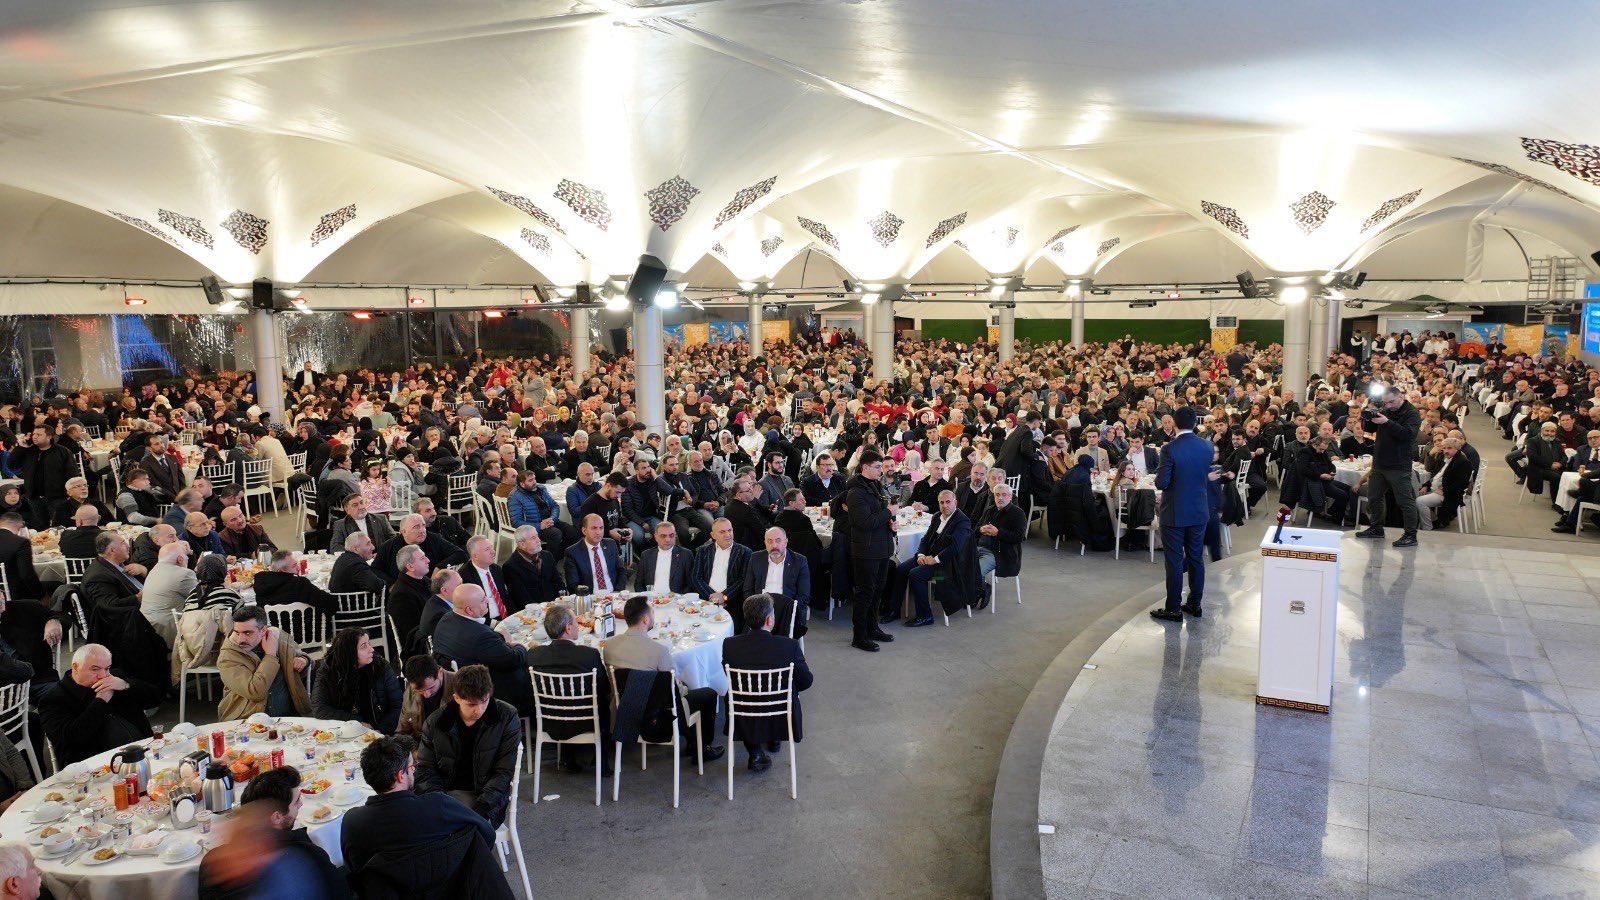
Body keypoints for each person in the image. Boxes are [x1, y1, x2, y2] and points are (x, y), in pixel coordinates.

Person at [340, 736, 500, 890]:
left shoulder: (352, 823)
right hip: (451, 890)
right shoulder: (439, 805)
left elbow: (356, 872)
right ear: (400, 775)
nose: (415, 769)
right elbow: (487, 833)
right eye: (412, 766)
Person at [601, 595, 723, 761]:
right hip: (655, 718)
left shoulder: (608, 646)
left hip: (623, 710)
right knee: (708, 693)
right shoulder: (659, 650)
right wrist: (685, 688)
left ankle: (694, 744)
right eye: (652, 613)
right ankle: (700, 749)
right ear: (645, 620)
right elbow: (674, 689)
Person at [414, 664, 521, 826]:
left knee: (445, 830)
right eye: (471, 704)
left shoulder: (506, 716)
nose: (479, 710)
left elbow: (504, 772)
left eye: (484, 701)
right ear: (457, 698)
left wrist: (482, 807)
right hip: (445, 793)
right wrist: (438, 801)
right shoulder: (435, 722)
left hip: (486, 797)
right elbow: (426, 769)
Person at [720, 594, 812, 773]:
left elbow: (728, 676)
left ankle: (755, 752)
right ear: (770, 620)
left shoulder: (730, 645)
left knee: (737, 694)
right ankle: (774, 738)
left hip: (744, 712)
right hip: (780, 712)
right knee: (784, 694)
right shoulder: (789, 646)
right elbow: (807, 680)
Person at [230, 767, 350, 898]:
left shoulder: (211, 862)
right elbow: (341, 893)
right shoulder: (305, 855)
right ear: (277, 817)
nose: (301, 804)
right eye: (297, 800)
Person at [38, 643, 162, 765]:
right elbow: (73, 737)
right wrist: (101, 701)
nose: (103, 675)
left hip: (144, 752)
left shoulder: (115, 678)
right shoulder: (53, 700)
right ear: (75, 667)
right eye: (95, 669)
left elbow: (156, 698)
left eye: (107, 668)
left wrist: (127, 685)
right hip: (97, 766)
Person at [524, 603, 610, 770]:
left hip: (549, 721)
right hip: (587, 722)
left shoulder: (534, 655)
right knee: (604, 702)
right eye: (576, 623)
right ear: (568, 629)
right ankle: (603, 760)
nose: (579, 626)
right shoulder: (589, 655)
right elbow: (604, 689)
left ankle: (567, 757)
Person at [431, 584, 534, 714]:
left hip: (459, 682)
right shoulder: (481, 637)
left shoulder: (446, 618)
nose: (487, 600)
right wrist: (515, 644)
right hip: (490, 691)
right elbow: (514, 660)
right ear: (469, 610)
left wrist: (498, 635)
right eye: (482, 599)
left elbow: (478, 634)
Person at [1151, 407, 1212, 623]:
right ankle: (1195, 604)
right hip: (1199, 510)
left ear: (1174, 424)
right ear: (1195, 423)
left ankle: (1173, 608)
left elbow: (1162, 482)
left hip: (1175, 512)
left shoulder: (1170, 449)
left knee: (1175, 561)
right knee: (1196, 558)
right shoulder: (1207, 446)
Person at [888, 490, 973, 626]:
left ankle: (925, 616)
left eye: (948, 502)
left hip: (947, 568)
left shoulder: (962, 521)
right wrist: (921, 555)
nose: (945, 505)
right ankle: (894, 610)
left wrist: (934, 560)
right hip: (929, 558)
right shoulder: (937, 516)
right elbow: (925, 539)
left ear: (955, 502)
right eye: (941, 502)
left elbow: (955, 548)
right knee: (902, 568)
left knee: (916, 575)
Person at [216, 604, 313, 721]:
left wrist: (304, 660)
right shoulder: (228, 656)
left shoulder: (279, 638)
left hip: (290, 716)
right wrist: (270, 656)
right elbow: (255, 692)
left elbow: (304, 658)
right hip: (247, 720)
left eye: (247, 633)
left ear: (263, 630)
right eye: (237, 632)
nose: (241, 639)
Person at [1354, 385, 1422, 547]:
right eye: (1386, 403)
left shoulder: (1412, 413)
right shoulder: (1385, 409)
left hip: (1398, 464)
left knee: (1405, 501)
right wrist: (1367, 417)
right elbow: (1370, 429)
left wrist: (1387, 422)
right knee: (1374, 497)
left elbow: (1407, 435)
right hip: (1379, 462)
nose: (1389, 406)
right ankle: (1376, 528)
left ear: (1401, 397)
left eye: (1392, 402)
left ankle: (1411, 535)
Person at [846, 450, 897, 652]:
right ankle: (859, 636)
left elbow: (879, 518)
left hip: (882, 547)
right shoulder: (856, 492)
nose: (881, 470)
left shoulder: (875, 486)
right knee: (865, 593)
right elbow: (864, 523)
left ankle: (872, 627)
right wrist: (888, 512)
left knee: (877, 591)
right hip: (866, 551)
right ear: (865, 467)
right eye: (877, 466)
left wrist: (890, 524)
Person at [310, 628, 404, 733]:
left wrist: (381, 731)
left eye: (369, 643)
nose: (371, 649)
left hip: (379, 728)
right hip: (343, 731)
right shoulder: (328, 670)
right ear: (349, 652)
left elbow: (397, 706)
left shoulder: (381, 667)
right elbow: (319, 709)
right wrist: (357, 722)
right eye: (364, 646)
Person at [739, 526, 810, 637]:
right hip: (760, 610)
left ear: (785, 542)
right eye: (770, 541)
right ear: (765, 543)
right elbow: (747, 590)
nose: (774, 546)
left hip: (786, 611)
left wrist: (787, 610)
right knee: (750, 641)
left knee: (779, 643)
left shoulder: (799, 561)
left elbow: (804, 595)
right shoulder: (756, 558)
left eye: (778, 541)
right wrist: (758, 609)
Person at [975, 482, 1025, 606]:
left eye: (1004, 495)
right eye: (997, 495)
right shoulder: (989, 510)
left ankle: (979, 592)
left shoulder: (1018, 513)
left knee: (977, 570)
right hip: (981, 547)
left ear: (1010, 496)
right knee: (959, 562)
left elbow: (1019, 537)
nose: (1000, 498)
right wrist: (981, 529)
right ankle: (978, 589)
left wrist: (998, 533)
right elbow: (975, 529)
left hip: (1000, 553)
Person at [251, 550, 338, 619]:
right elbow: (331, 604)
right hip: (306, 634)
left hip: (274, 635)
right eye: (294, 565)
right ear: (283, 570)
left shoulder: (260, 582)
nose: (298, 567)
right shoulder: (299, 584)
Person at [140, 540, 195, 645]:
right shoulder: (184, 574)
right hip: (171, 628)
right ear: (180, 559)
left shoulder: (155, 569)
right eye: (186, 558)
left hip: (147, 625)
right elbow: (202, 597)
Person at [79, 532, 143, 619]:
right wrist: (138, 598)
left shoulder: (120, 563)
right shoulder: (98, 576)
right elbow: (109, 606)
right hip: (128, 621)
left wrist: (144, 571)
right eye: (123, 543)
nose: (128, 546)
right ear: (112, 550)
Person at [692, 517, 751, 611]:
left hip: (731, 603)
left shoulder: (745, 552)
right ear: (713, 535)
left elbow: (743, 580)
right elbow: (696, 577)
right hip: (705, 601)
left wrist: (723, 596)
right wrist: (713, 598)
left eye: (729, 530)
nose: (728, 534)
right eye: (722, 532)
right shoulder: (703, 551)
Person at [501, 526, 561, 613]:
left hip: (555, 607)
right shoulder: (510, 567)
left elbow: (558, 581)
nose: (538, 540)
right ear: (522, 544)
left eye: (537, 536)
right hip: (532, 614)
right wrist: (543, 610)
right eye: (533, 538)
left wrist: (560, 601)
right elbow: (521, 599)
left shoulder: (547, 555)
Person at [456, 535, 511, 623]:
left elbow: (504, 596)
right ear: (475, 556)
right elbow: (470, 613)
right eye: (487, 549)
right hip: (487, 623)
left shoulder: (496, 569)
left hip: (506, 617)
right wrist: (493, 624)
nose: (493, 552)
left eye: (492, 547)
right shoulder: (464, 576)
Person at [563, 513, 623, 594]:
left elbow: (621, 570)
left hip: (613, 594)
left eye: (601, 528)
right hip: (590, 597)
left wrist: (618, 591)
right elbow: (572, 585)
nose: (598, 532)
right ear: (584, 531)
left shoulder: (611, 544)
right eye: (594, 528)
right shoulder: (572, 552)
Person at [398, 655, 454, 739]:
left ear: (440, 673)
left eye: (431, 687)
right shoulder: (411, 689)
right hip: (420, 746)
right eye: (420, 691)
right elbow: (402, 732)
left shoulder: (460, 686)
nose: (426, 695)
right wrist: (413, 749)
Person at [633, 521, 695, 594]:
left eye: (671, 535)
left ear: (675, 535)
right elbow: (638, 584)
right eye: (663, 536)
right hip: (651, 600)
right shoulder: (646, 555)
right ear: (656, 537)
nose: (668, 539)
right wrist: (646, 599)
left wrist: (679, 598)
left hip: (676, 601)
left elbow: (691, 583)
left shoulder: (685, 554)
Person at [329, 492, 395, 550]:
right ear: (347, 510)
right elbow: (335, 547)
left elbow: (394, 539)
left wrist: (382, 554)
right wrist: (357, 554)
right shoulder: (341, 525)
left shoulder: (381, 519)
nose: (361, 507)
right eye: (355, 505)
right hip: (356, 560)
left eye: (361, 502)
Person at [329, 531, 388, 596]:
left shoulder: (344, 557)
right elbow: (376, 586)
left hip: (343, 601)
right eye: (368, 544)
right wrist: (388, 584)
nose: (373, 547)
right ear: (356, 549)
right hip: (353, 604)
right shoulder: (356, 564)